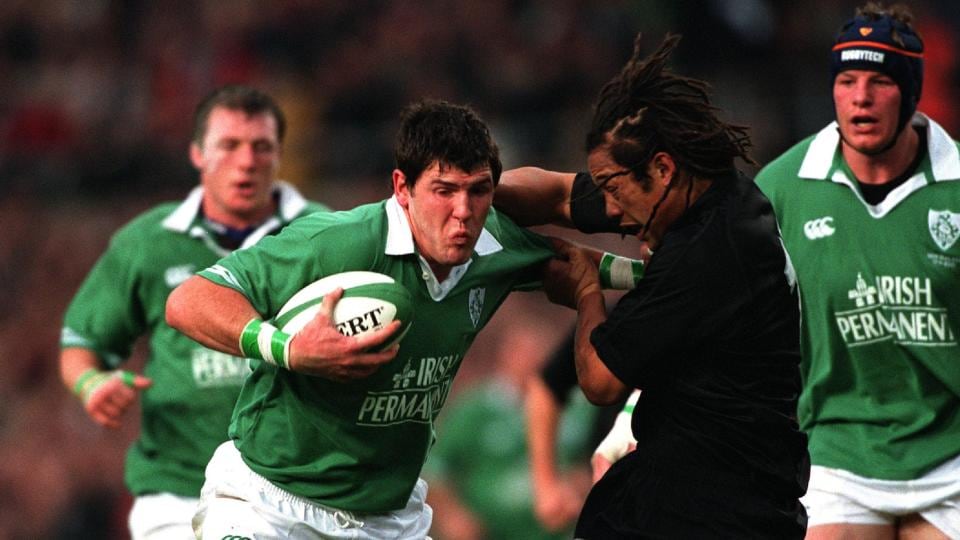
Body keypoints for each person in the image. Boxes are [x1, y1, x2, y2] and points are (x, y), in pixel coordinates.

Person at [165, 99, 575, 539]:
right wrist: (289, 348)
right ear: (402, 188)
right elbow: (190, 299)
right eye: (443, 190)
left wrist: (647, 267)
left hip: (387, 521)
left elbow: (580, 261)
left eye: (479, 190)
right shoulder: (337, 244)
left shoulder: (494, 247)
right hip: (271, 507)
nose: (463, 210)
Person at [496, 33, 809, 538]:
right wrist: (475, 189)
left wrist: (585, 291)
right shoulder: (713, 193)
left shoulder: (705, 253)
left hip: (716, 508)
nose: (612, 211)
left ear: (661, 169)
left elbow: (598, 382)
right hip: (712, 491)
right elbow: (555, 195)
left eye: (616, 191)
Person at [59, 84, 329, 539]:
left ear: (280, 155)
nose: (246, 160)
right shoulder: (148, 243)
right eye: (229, 145)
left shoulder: (323, 234)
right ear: (197, 154)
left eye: (261, 147)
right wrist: (92, 384)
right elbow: (82, 345)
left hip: (294, 493)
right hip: (178, 492)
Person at [755, 3, 960, 538]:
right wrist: (627, 419)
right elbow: (704, 307)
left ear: (911, 93)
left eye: (879, 82)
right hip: (836, 452)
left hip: (953, 453)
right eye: (846, 80)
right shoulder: (782, 189)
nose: (860, 97)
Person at [423, 318, 597, 540]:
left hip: (562, 529)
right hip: (490, 531)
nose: (531, 360)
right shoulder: (475, 408)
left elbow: (600, 458)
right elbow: (435, 468)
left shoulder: (580, 406)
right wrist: (453, 516)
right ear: (504, 357)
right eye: (523, 352)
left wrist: (584, 482)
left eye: (539, 352)